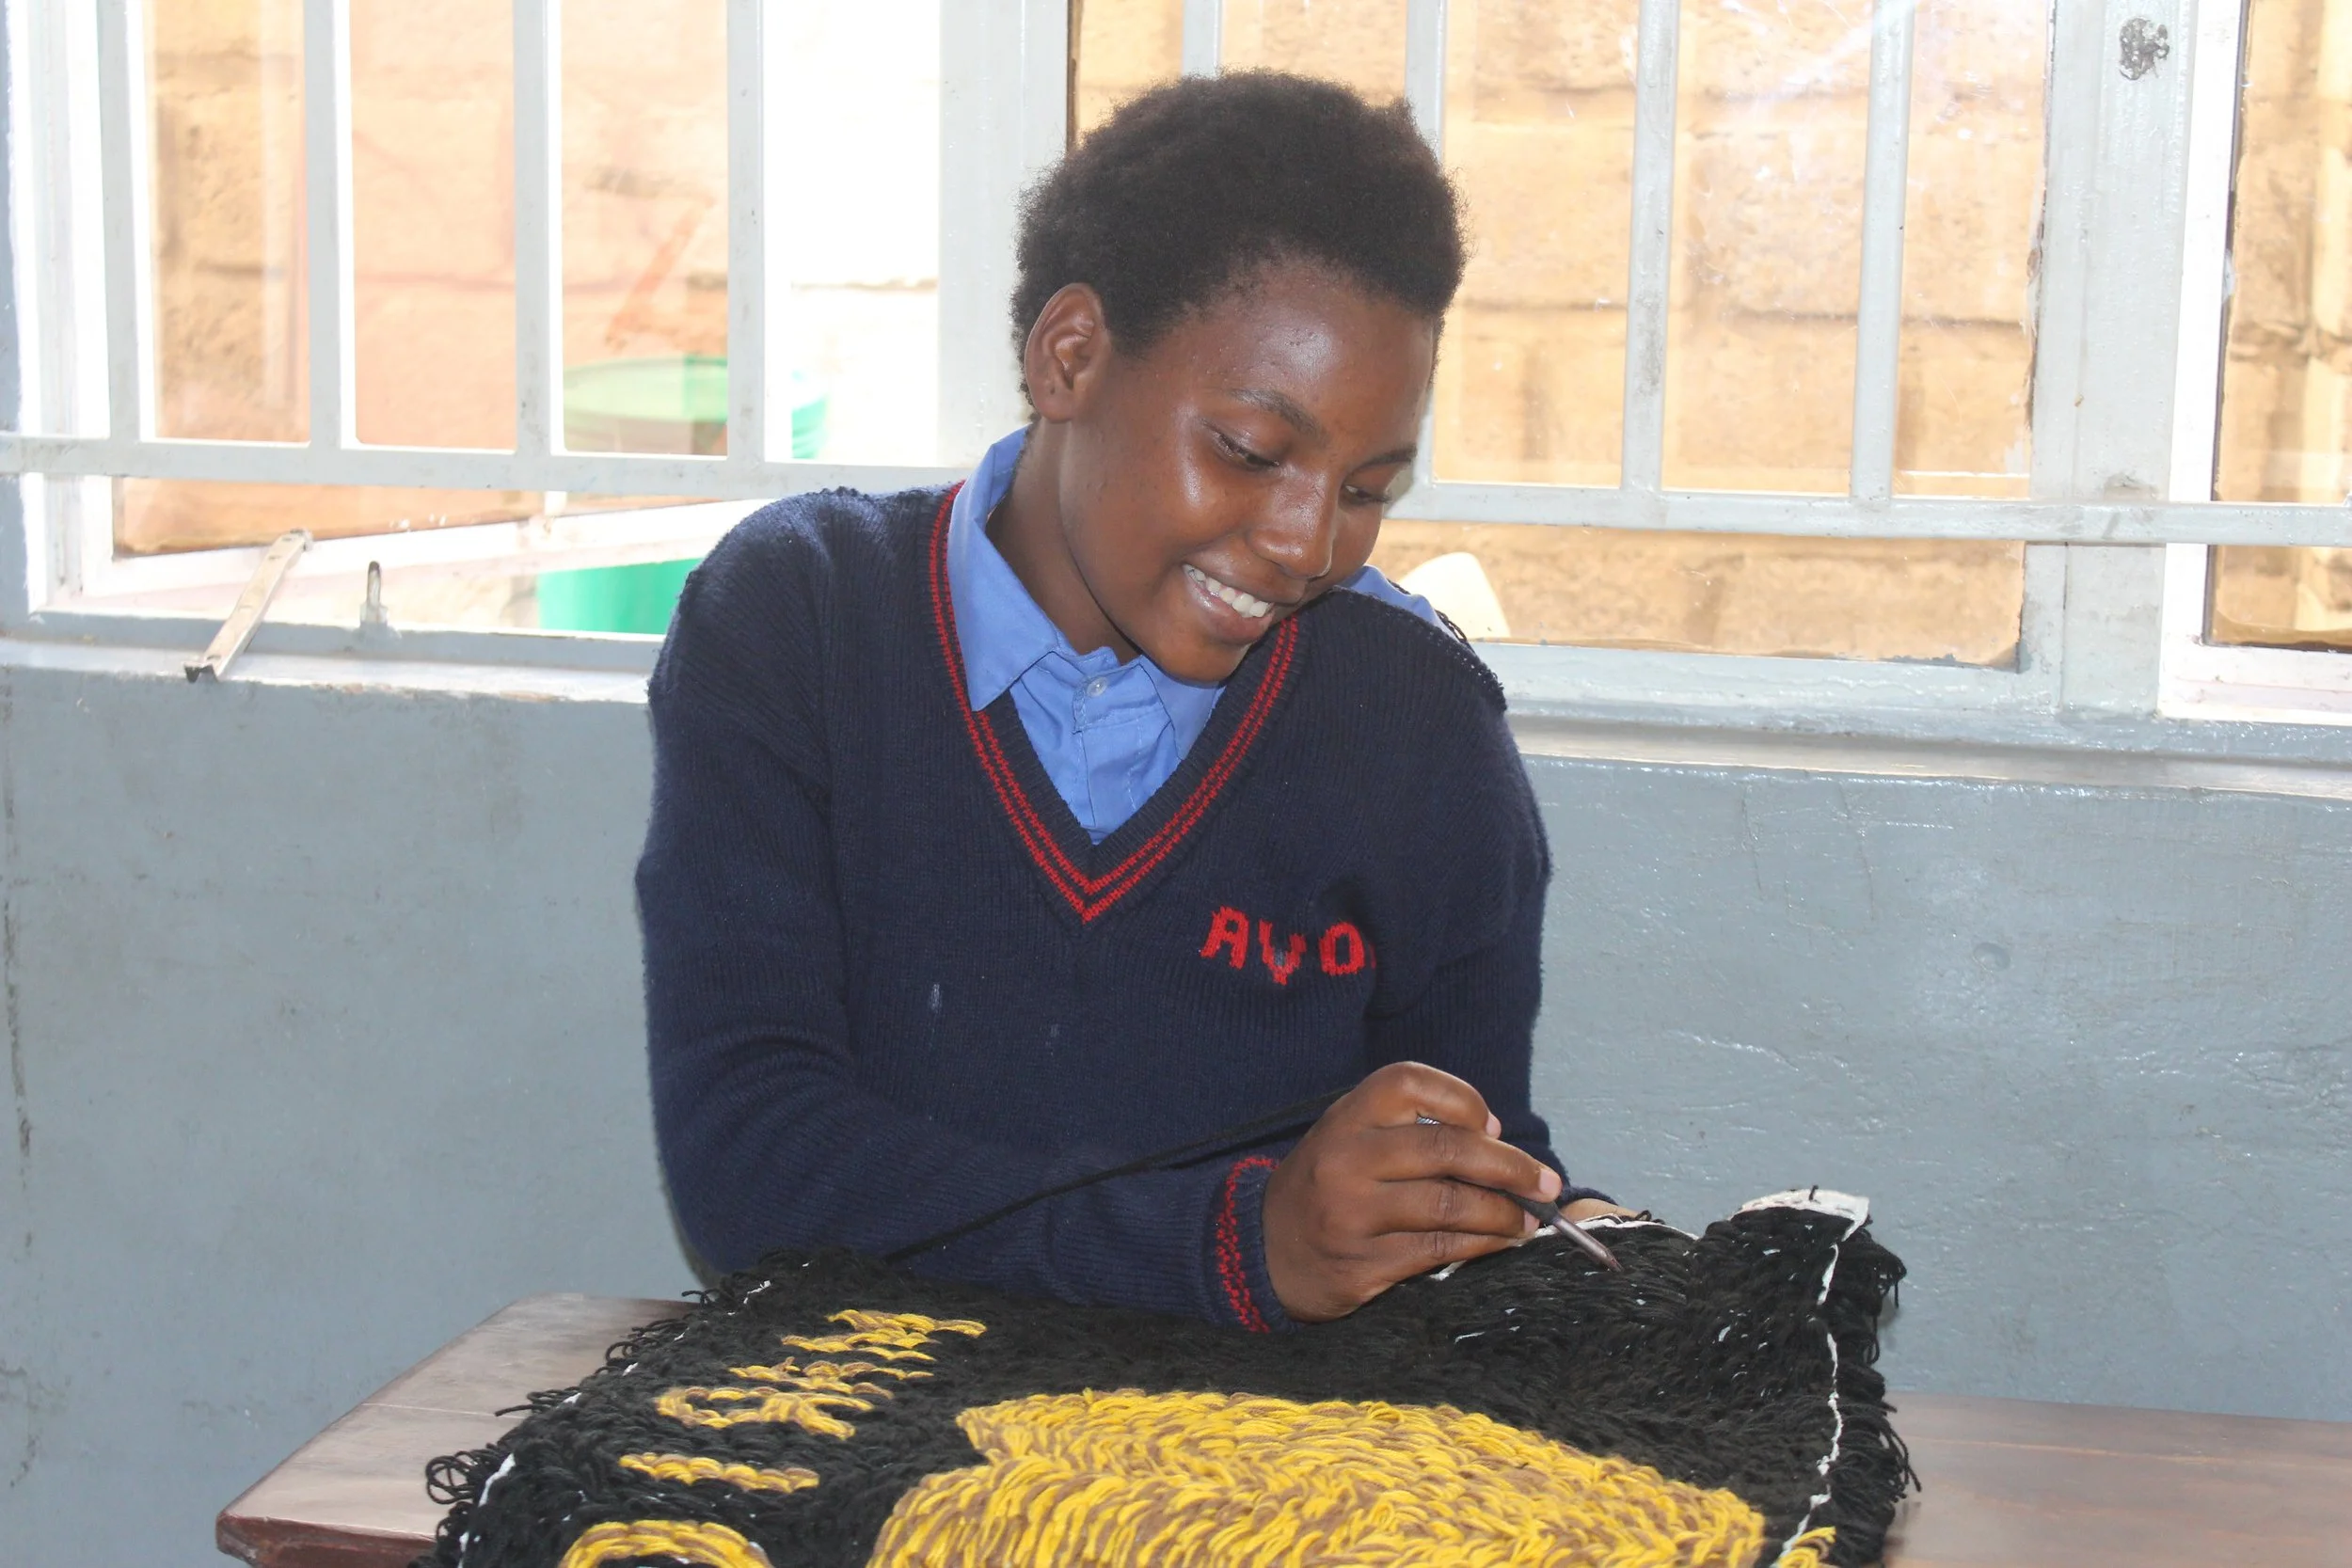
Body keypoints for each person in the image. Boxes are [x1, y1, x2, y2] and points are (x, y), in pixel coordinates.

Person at [637, 71, 1623, 1332]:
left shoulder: (1419, 720)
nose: (1308, 540)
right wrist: (1239, 1244)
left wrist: (1512, 1220)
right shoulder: (801, 623)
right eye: (1254, 452)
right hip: (860, 1425)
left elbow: (1465, 1186)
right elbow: (751, 1164)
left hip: (1258, 1472)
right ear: (1071, 356)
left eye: (1368, 486)